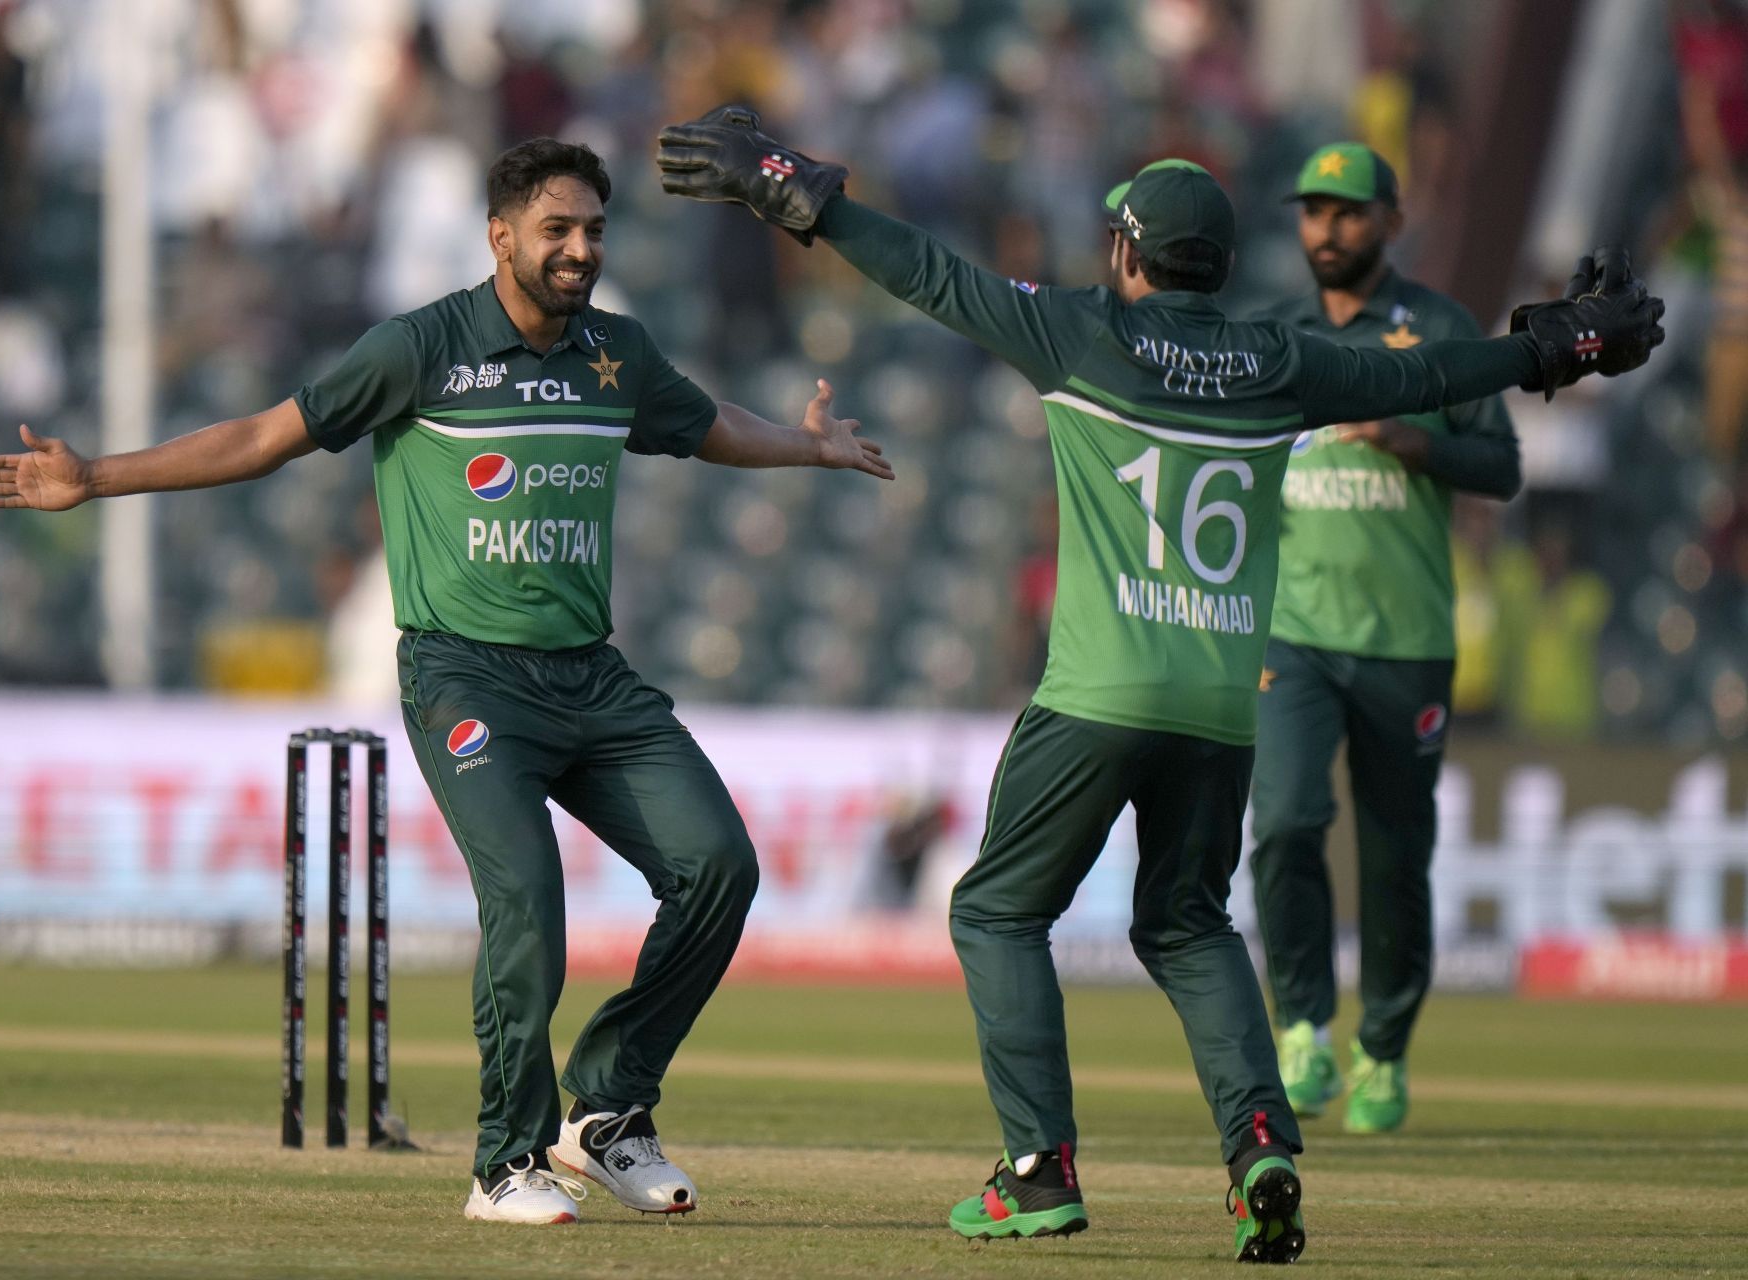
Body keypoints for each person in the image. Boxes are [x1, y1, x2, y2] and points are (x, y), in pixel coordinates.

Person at [655, 106, 1662, 1262]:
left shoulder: (1081, 333)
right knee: (1187, 922)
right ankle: (1260, 1146)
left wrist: (795, 190)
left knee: (994, 909)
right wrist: (1565, 343)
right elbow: (1433, 370)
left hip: (1097, 692)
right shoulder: (1281, 363)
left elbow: (929, 273)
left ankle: (1037, 1167)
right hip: (1224, 705)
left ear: (1128, 253)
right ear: (1223, 267)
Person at [0, 138, 892, 1227]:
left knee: (720, 865)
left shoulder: (617, 356)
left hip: (591, 675)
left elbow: (705, 427)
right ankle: (504, 1160)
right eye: (557, 229)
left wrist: (806, 446)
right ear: (501, 237)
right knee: (528, 903)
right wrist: (97, 476)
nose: (580, 248)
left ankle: (607, 1110)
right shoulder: (423, 347)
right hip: (466, 677)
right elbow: (265, 435)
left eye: (593, 228)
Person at [1247, 143, 1521, 1136]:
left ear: (1391, 222)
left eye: (1349, 213)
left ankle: (1384, 1050)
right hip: (1292, 631)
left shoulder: (1438, 330)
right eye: (1313, 212)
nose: (1327, 230)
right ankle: (1303, 1028)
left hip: (1406, 637)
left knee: (1399, 856)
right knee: (1282, 822)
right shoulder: (1271, 333)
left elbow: (1501, 467)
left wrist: (1417, 441)